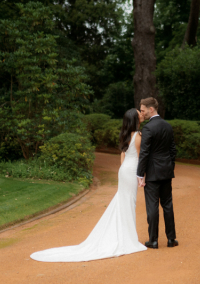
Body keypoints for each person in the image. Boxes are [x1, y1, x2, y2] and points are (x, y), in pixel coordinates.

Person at [30, 109, 148, 262]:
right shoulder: (138, 136)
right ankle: (128, 237)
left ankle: (126, 234)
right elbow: (140, 157)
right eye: (139, 112)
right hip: (131, 171)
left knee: (123, 201)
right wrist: (141, 176)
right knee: (129, 202)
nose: (141, 113)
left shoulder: (126, 135)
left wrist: (123, 168)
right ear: (135, 118)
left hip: (124, 170)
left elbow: (123, 154)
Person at [136, 97, 178, 249]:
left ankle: (153, 240)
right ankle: (171, 239)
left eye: (143, 110)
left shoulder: (148, 128)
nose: (143, 113)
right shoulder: (167, 126)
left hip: (153, 173)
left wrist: (140, 174)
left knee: (152, 206)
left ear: (151, 109)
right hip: (166, 171)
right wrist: (169, 166)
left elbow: (145, 152)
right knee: (167, 204)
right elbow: (172, 150)